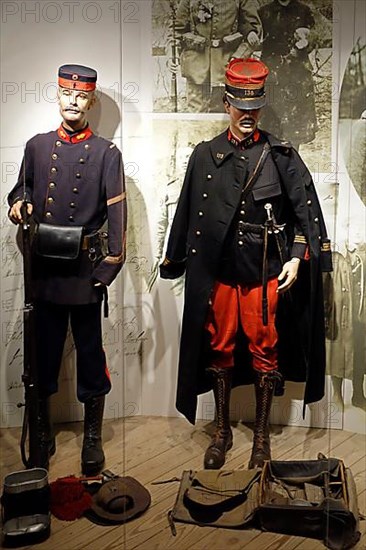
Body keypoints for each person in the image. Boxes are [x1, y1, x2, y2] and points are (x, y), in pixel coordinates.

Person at [160, 58, 332, 470]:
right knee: (218, 348)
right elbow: (186, 211)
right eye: (240, 107)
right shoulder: (204, 156)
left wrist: (296, 258)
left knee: (264, 350)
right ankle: (220, 429)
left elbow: (303, 214)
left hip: (263, 272)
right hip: (219, 274)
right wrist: (175, 260)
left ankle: (260, 437)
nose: (247, 116)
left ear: (262, 107)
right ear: (226, 104)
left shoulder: (280, 155)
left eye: (254, 108)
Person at [8, 64, 127, 474]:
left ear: (91, 101)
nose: (73, 101)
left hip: (84, 272)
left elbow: (118, 216)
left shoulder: (107, 153)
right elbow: (21, 188)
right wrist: (18, 204)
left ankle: (92, 437)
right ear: (57, 97)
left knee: (91, 355)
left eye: (81, 96)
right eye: (66, 94)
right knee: (42, 354)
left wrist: (108, 268)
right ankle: (41, 431)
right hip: (43, 269)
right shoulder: (36, 146)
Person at [175, 0, 262, 112]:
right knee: (195, 115)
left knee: (223, 113)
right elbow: (177, 29)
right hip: (196, 64)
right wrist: (174, 56)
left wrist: (238, 57)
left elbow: (254, 31)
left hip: (227, 64)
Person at [259, 0, 317, 150]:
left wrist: (307, 40)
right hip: (272, 74)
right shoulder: (264, 12)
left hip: (296, 76)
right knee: (270, 122)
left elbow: (318, 37)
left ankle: (292, 160)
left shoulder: (304, 11)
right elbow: (255, 38)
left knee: (294, 124)